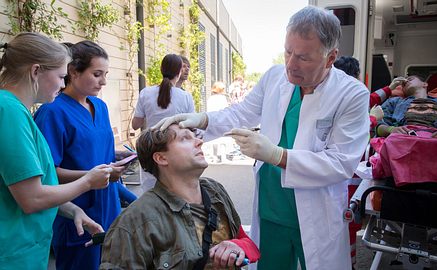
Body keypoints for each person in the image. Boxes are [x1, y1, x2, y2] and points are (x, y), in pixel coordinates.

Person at [155, 6, 370, 270]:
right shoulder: (274, 77)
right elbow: (241, 113)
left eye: (303, 57)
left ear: (330, 57)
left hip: (317, 211)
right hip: (272, 206)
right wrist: (203, 120)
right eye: (288, 52)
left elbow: (341, 163)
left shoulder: (352, 94)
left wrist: (277, 156)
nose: (290, 65)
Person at [0, 32, 112, 270]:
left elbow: (25, 186)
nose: (63, 85)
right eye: (61, 76)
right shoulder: (8, 111)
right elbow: (31, 198)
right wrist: (88, 181)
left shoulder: (16, 111)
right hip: (13, 253)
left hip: (27, 249)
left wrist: (73, 210)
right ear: (36, 71)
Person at [100, 125, 260, 269]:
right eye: (185, 138)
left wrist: (237, 246)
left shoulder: (214, 190)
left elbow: (248, 244)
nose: (199, 142)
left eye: (195, 136)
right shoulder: (135, 222)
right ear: (161, 158)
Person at [34, 40, 134, 270]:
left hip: (109, 208)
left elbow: (101, 156)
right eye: (97, 74)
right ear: (73, 71)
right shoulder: (52, 111)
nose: (104, 81)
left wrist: (117, 163)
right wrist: (91, 176)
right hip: (76, 213)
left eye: (105, 74)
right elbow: (47, 173)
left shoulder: (100, 106)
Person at [132, 53, 195, 192]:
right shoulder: (185, 97)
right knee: (176, 192)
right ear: (179, 72)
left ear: (161, 70)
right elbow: (192, 126)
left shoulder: (145, 93)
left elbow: (135, 125)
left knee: (150, 193)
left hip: (151, 147)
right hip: (176, 148)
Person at [376, 75, 437, 141]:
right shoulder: (394, 102)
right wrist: (391, 130)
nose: (406, 81)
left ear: (425, 84)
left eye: (410, 78)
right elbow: (378, 125)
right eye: (403, 84)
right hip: (402, 143)